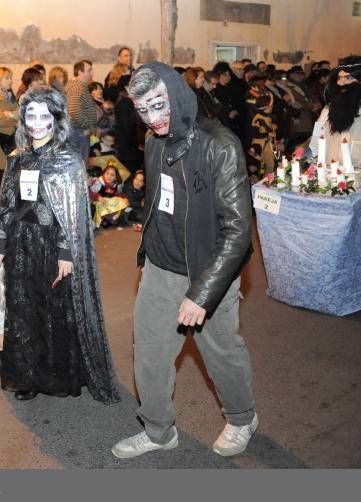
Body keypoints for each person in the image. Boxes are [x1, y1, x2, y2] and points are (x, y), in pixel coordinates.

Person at [111, 62, 256, 459]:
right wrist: (148, 253)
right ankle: (159, 431)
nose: (153, 118)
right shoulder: (156, 141)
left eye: (159, 106)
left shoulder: (219, 144)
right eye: (143, 110)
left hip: (209, 273)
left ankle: (242, 417)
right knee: (150, 352)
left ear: (175, 93)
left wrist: (202, 294)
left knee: (222, 354)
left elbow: (238, 232)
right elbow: (160, 202)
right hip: (160, 267)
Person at [0, 88, 119, 403]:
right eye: (30, 115)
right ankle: (26, 378)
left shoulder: (67, 159)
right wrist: (0, 248)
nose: (36, 122)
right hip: (21, 246)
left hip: (52, 246)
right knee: (23, 311)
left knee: (55, 311)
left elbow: (73, 214)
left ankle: (59, 374)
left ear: (55, 119)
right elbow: (6, 206)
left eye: (43, 115)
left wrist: (65, 253)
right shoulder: (17, 158)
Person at [310, 56, 361, 167]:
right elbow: (317, 143)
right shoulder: (329, 109)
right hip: (331, 176)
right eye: (339, 78)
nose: (340, 83)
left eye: (348, 78)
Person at [65, 60, 96, 162]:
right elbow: (74, 110)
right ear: (80, 72)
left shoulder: (77, 86)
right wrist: (87, 126)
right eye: (89, 70)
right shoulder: (78, 87)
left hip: (77, 132)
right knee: (81, 166)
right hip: (79, 133)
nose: (92, 73)